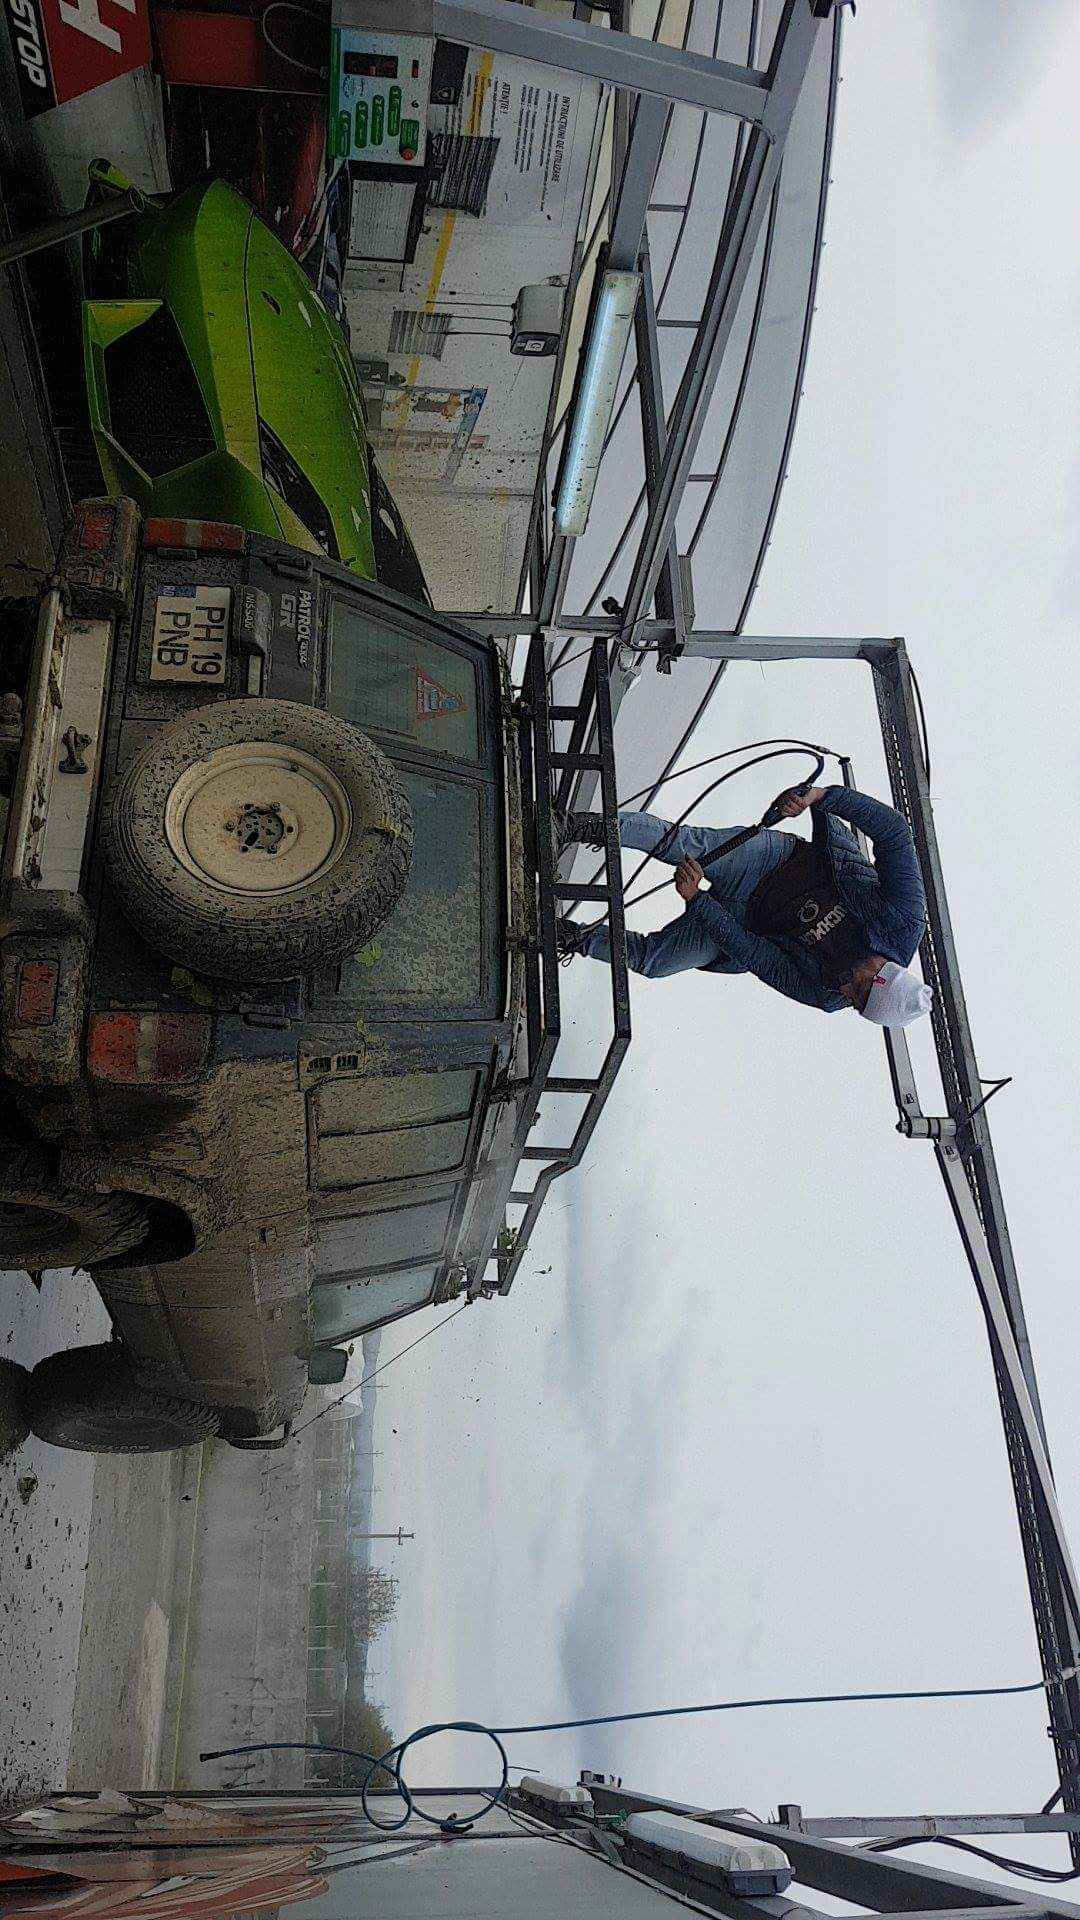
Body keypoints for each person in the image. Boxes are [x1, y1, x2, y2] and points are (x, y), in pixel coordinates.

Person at [555, 785, 933, 1027]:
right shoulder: (904, 919)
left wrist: (698, 900)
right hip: (773, 862)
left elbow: (756, 956)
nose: (847, 991)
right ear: (884, 972)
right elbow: (894, 834)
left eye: (855, 1004)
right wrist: (820, 797)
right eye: (860, 988)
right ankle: (572, 826)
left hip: (742, 922)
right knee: (685, 847)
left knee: (657, 962)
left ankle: (570, 937)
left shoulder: (827, 995)